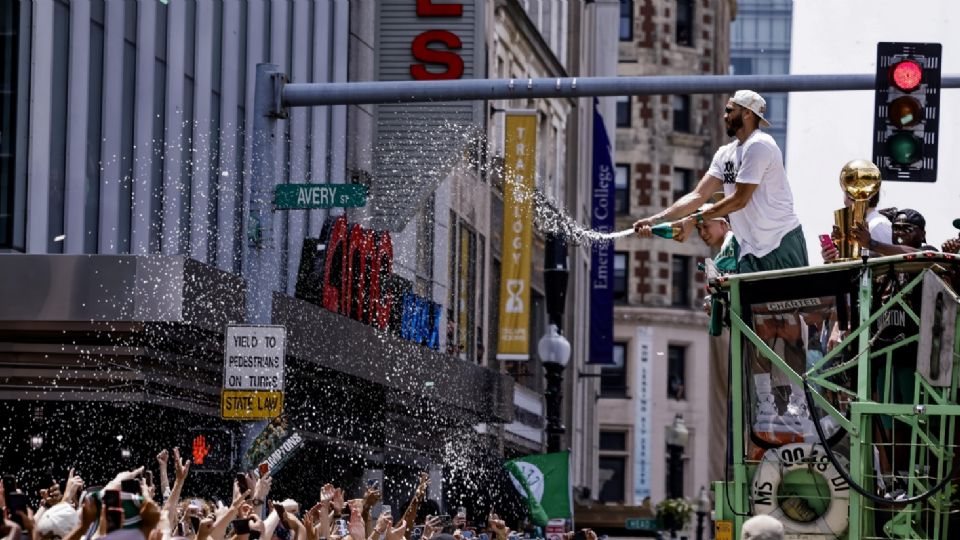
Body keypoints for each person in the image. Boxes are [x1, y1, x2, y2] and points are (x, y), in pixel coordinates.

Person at [634, 90, 807, 273]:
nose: (725, 116)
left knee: (794, 301)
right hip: (749, 252)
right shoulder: (725, 154)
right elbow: (698, 195)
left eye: (730, 110)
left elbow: (739, 199)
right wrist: (654, 219)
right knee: (744, 302)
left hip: (780, 242)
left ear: (747, 113)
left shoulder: (759, 145)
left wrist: (693, 219)